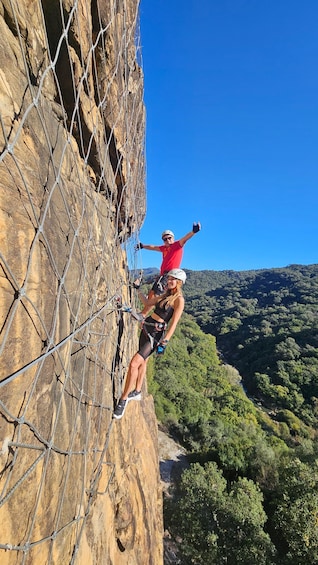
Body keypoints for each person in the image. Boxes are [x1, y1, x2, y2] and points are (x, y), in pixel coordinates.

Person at [113, 268, 186, 420]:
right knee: (142, 362)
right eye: (169, 278)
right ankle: (137, 391)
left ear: (179, 283)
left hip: (155, 335)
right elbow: (146, 302)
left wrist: (165, 341)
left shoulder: (179, 300)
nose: (169, 281)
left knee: (134, 364)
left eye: (173, 279)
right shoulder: (165, 295)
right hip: (147, 328)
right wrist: (137, 289)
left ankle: (123, 399)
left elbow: (174, 323)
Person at [135, 222, 201, 299]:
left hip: (169, 275)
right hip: (163, 275)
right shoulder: (164, 248)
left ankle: (147, 311)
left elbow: (185, 238)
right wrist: (143, 246)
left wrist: (193, 232)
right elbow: (153, 247)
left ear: (173, 238)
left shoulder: (177, 246)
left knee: (156, 295)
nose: (167, 240)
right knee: (152, 294)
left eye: (169, 238)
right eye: (165, 239)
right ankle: (145, 311)